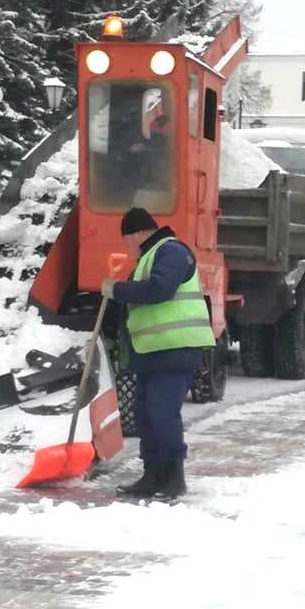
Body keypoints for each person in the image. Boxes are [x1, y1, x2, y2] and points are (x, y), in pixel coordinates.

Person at [101, 207, 216, 499]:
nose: (127, 246)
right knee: (145, 414)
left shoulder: (172, 252)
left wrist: (117, 290)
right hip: (152, 350)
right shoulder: (148, 258)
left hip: (177, 346)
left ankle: (173, 477)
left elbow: (159, 289)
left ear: (139, 233)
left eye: (127, 239)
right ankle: (152, 475)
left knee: (162, 412)